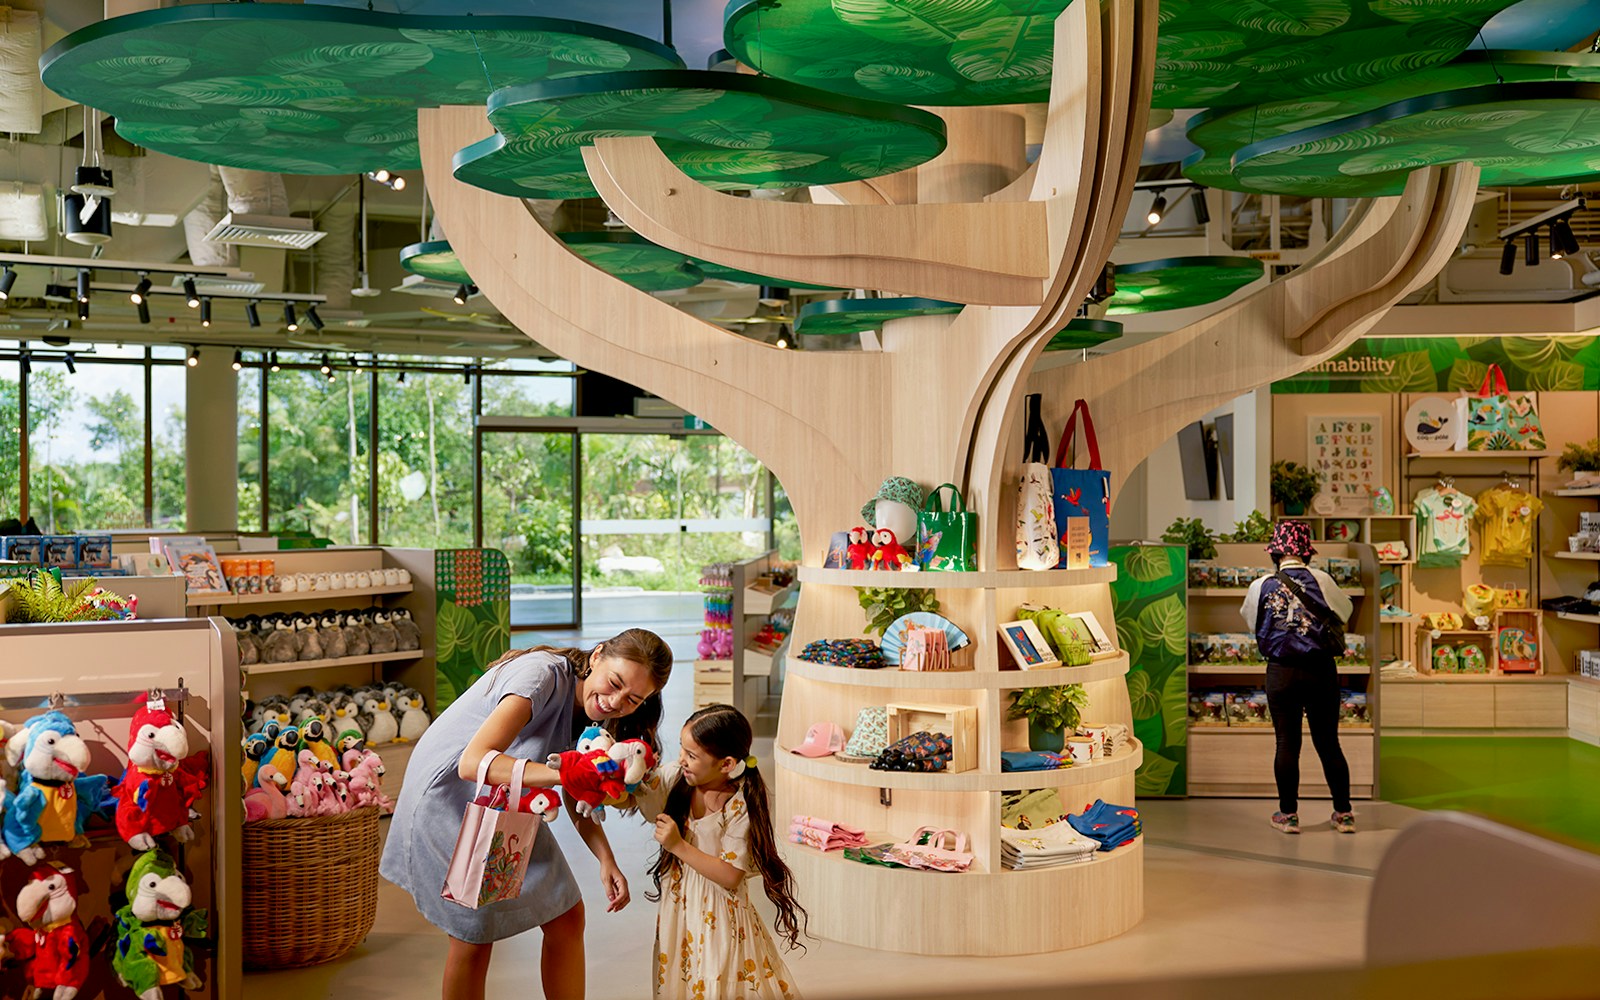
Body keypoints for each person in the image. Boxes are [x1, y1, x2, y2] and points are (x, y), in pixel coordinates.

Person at [380, 628, 673, 1000]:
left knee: (567, 918)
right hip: (449, 798)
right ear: (597, 656)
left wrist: (606, 859)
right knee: (473, 937)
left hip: (506, 799)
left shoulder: (595, 716)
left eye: (633, 699)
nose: (615, 702)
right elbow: (472, 764)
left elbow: (576, 786)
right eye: (614, 683)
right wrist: (566, 772)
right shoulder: (541, 676)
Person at [636, 704, 806, 1000]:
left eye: (692, 756)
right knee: (682, 981)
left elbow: (730, 875)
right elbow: (635, 791)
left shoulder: (738, 805)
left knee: (716, 981)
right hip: (680, 911)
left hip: (720, 918)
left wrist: (678, 845)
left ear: (726, 764)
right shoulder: (679, 778)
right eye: (682, 749)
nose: (681, 760)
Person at [1241, 520, 1356, 836]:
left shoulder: (1260, 584)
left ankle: (1288, 815)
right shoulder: (1322, 579)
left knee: (1286, 744)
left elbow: (1251, 620)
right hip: (1321, 670)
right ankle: (1344, 814)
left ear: (1275, 553)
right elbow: (1345, 611)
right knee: (1328, 743)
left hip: (1281, 671)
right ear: (1307, 552)